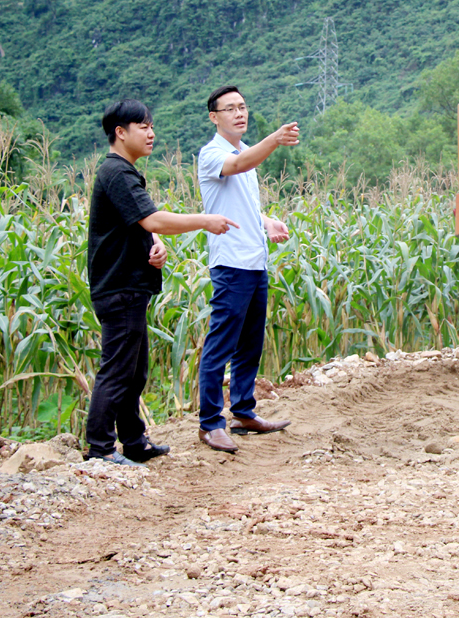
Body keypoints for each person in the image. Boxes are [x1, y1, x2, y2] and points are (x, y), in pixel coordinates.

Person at [85, 99, 238, 466]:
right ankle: (100, 448)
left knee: (133, 371)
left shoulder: (125, 172)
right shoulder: (116, 173)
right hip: (119, 287)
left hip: (130, 285)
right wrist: (204, 220)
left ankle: (134, 442)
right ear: (120, 133)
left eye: (152, 125)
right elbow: (152, 218)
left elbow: (142, 226)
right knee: (118, 368)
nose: (151, 134)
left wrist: (155, 244)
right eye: (143, 127)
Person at [195, 86, 299, 453]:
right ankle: (210, 423)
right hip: (231, 265)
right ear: (214, 116)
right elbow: (238, 167)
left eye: (243, 107)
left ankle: (243, 411)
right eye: (230, 109)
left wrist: (266, 221)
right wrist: (274, 139)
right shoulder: (214, 154)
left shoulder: (243, 153)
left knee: (250, 344)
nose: (239, 113)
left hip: (255, 263)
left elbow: (241, 204)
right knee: (220, 345)